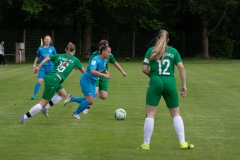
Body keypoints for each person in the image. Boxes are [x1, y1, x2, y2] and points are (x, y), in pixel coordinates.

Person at [137, 30, 194, 150]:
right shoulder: (173, 51)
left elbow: (144, 69)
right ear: (168, 40)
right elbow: (181, 68)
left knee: (151, 114)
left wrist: (153, 76)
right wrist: (184, 85)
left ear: (157, 39)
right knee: (176, 114)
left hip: (155, 81)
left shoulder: (151, 51)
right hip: (170, 82)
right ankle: (182, 142)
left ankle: (146, 144)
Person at [19, 42, 85, 124]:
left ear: (65, 50)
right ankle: (24, 117)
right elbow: (84, 72)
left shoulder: (59, 55)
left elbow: (47, 58)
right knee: (42, 103)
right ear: (74, 51)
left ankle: (46, 107)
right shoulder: (75, 60)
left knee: (63, 94)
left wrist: (38, 67)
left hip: (50, 77)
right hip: (54, 80)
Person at [63, 44, 112, 119]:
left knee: (90, 101)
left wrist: (106, 72)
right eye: (108, 52)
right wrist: (104, 75)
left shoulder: (105, 60)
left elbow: (103, 67)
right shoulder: (95, 59)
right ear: (103, 52)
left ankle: (71, 99)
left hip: (92, 81)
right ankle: (75, 114)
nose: (110, 53)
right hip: (86, 80)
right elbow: (92, 71)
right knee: (89, 100)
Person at [82, 40, 126, 114]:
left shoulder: (109, 55)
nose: (107, 48)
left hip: (104, 76)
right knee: (95, 92)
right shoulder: (95, 55)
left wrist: (122, 71)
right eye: (105, 46)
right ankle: (87, 106)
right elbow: (90, 67)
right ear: (100, 47)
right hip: (95, 75)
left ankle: (90, 96)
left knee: (103, 96)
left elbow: (114, 63)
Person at [31, 35, 57, 100]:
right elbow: (37, 56)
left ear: (50, 41)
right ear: (44, 40)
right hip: (42, 68)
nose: (47, 40)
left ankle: (48, 95)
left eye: (49, 39)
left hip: (50, 67)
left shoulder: (52, 48)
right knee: (39, 81)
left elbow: (56, 57)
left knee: (49, 82)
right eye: (46, 39)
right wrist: (34, 64)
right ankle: (34, 95)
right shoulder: (40, 48)